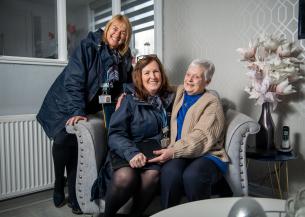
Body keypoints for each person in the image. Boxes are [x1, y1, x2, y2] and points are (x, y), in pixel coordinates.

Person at [36, 14, 133, 214]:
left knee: (75, 145)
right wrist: (76, 111)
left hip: (85, 105)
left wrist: (125, 94)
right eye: (115, 28)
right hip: (65, 101)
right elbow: (74, 80)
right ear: (107, 28)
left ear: (127, 37)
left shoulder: (123, 57)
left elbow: (124, 82)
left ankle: (73, 196)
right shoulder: (88, 46)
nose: (118, 34)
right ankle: (57, 182)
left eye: (123, 32)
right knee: (63, 140)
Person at [148, 59, 230, 208]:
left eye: (196, 77)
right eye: (188, 74)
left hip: (208, 154)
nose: (189, 80)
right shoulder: (180, 91)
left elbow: (201, 137)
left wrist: (172, 151)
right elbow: (154, 87)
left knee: (193, 176)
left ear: (207, 81)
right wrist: (127, 93)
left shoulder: (212, 103)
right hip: (181, 153)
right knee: (170, 173)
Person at [103, 55, 174, 217]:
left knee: (153, 175)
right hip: (127, 149)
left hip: (153, 152)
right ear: (139, 78)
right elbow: (115, 134)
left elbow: (189, 88)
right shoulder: (129, 100)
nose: (152, 77)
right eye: (147, 73)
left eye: (156, 72)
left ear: (162, 75)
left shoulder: (170, 99)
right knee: (125, 177)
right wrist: (132, 153)